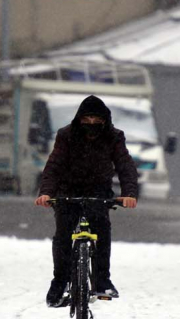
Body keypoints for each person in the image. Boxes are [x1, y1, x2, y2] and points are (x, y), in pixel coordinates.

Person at [35, 95, 139, 308]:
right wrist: (47, 192)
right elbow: (54, 166)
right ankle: (60, 282)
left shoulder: (114, 137)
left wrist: (129, 193)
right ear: (79, 119)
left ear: (105, 120)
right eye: (87, 119)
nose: (91, 124)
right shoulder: (66, 135)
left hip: (99, 193)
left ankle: (102, 280)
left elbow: (125, 165)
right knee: (63, 235)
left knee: (102, 232)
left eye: (97, 120)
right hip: (67, 192)